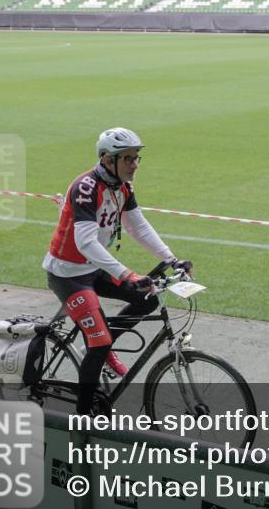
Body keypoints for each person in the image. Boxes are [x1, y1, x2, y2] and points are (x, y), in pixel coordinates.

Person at [43, 127, 192, 415]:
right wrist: (127, 274)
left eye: (136, 158)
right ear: (107, 159)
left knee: (147, 298)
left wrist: (172, 259)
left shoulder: (122, 187)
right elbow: (85, 243)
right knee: (99, 343)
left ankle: (101, 342)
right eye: (128, 159)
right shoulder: (86, 187)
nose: (134, 165)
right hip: (68, 274)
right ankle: (84, 418)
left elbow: (139, 227)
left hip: (94, 267)